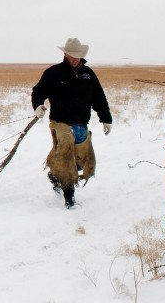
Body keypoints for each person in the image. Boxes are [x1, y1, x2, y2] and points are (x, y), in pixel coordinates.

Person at [30, 37, 113, 208]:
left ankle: (54, 175)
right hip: (61, 123)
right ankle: (70, 198)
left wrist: (106, 118)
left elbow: (99, 97)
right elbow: (38, 90)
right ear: (65, 54)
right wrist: (38, 105)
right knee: (67, 159)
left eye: (78, 55)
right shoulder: (53, 73)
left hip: (81, 123)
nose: (75, 58)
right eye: (72, 55)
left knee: (83, 160)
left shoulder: (88, 74)